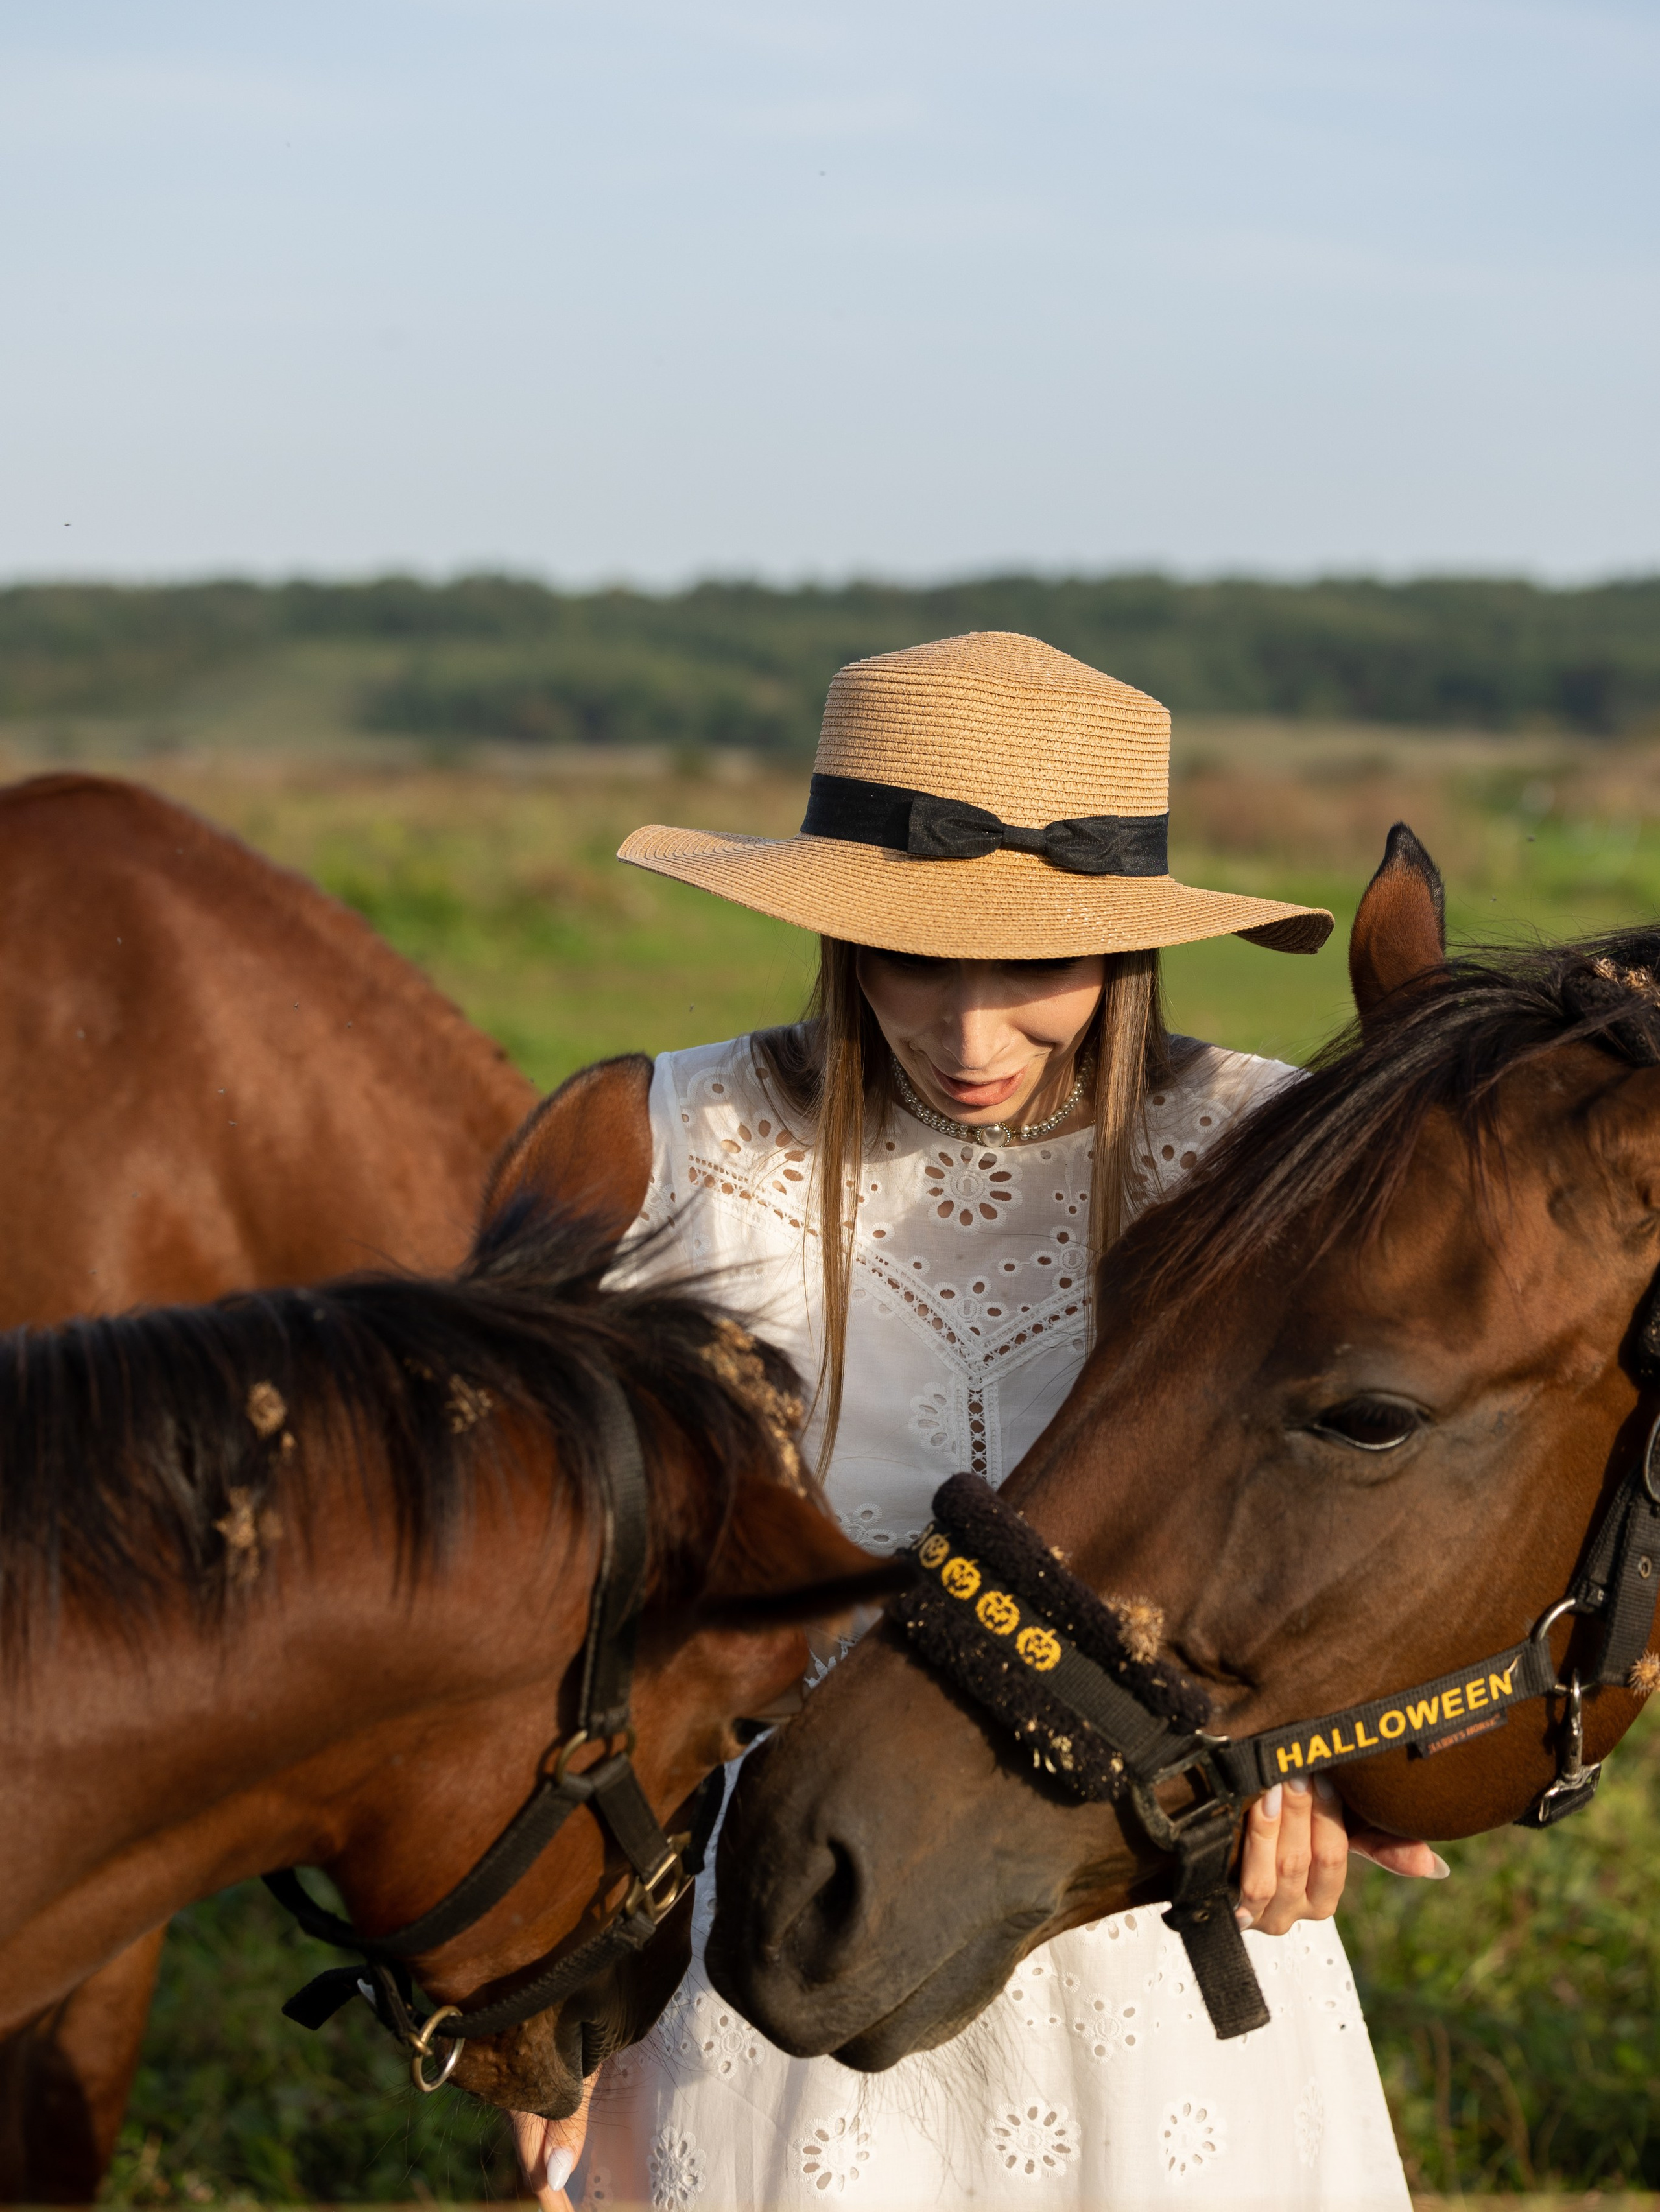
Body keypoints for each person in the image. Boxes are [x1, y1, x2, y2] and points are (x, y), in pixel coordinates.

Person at [536, 632, 1433, 2210]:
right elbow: (556, 1600)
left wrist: (1314, 1762)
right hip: (773, 1914)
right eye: (911, 964)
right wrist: (555, 1978)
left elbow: (1366, 1512)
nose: (965, 1040)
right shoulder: (660, 1144)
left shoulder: (1255, 1151)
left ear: (1130, 945)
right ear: (834, 935)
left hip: (1149, 1906)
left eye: (1032, 974)